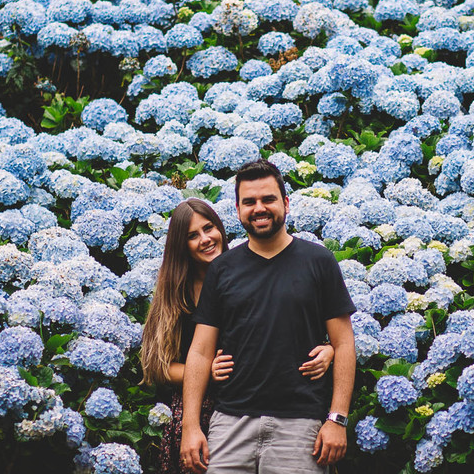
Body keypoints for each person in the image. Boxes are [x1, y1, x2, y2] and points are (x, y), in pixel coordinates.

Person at [180, 160, 357, 474]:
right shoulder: (222, 269)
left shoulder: (319, 261)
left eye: (268, 199)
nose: (258, 208)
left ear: (286, 204)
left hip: (300, 427)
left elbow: (343, 344)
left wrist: (337, 419)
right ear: (238, 210)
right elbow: (200, 351)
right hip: (230, 424)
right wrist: (191, 426)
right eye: (249, 202)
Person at [141, 197, 335, 474]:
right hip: (200, 413)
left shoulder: (246, 273)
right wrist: (203, 371)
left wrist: (330, 350)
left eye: (209, 228)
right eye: (193, 236)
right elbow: (156, 366)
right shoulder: (174, 295)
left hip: (255, 409)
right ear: (180, 246)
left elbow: (283, 331)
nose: (206, 239)